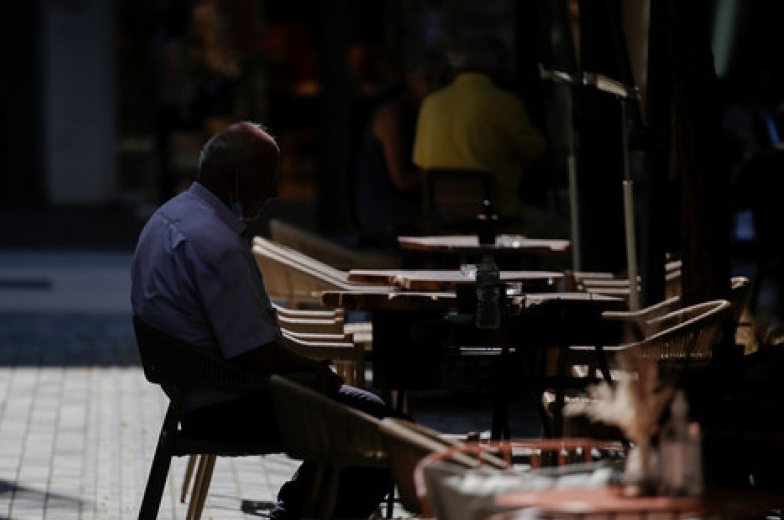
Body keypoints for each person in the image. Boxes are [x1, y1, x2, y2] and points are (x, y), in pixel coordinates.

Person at [131, 122, 403, 518]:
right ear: (234, 180)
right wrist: (313, 372)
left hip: (198, 392)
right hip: (229, 402)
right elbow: (254, 354)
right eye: (268, 178)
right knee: (383, 428)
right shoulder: (216, 243)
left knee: (365, 415)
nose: (275, 192)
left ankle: (294, 510)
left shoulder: (171, 216)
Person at [411, 35, 546, 231]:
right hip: (499, 217)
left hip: (443, 218)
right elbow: (536, 150)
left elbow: (421, 163)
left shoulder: (431, 104)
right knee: (565, 232)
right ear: (497, 68)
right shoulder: (504, 102)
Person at [355, 48, 451, 247]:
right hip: (387, 213)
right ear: (411, 80)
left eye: (441, 81)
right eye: (428, 80)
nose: (436, 88)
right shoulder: (393, 116)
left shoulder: (425, 113)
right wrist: (442, 173)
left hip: (407, 207)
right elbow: (402, 180)